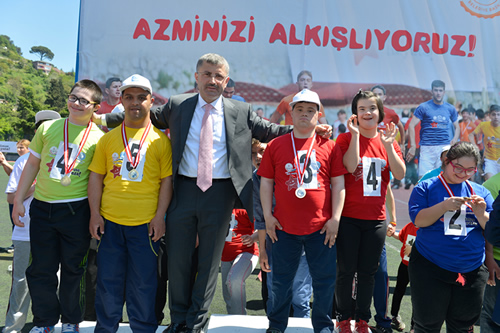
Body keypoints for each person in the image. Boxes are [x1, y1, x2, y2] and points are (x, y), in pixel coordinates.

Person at [92, 53, 333, 333]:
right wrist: (100, 119)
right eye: (207, 74)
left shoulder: (239, 111)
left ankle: (197, 322)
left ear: (226, 80)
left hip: (220, 195)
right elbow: (141, 113)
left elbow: (269, 130)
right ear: (196, 77)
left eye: (219, 76)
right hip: (182, 190)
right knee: (178, 262)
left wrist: (306, 127)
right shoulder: (178, 105)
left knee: (208, 263)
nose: (212, 80)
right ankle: (179, 320)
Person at [12, 80, 104, 333]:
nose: (76, 103)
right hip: (42, 209)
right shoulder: (49, 128)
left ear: (95, 106)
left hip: (76, 211)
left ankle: (71, 321)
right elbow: (32, 165)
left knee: (74, 270)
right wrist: (19, 199)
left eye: (83, 100)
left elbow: (98, 179)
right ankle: (44, 322)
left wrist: (96, 214)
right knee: (41, 269)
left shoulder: (100, 138)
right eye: (73, 97)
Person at [88, 74, 172, 333]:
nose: (135, 102)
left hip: (145, 226)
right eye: (129, 97)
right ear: (121, 101)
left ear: (151, 100)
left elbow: (167, 183)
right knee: (108, 285)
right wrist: (94, 214)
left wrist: (160, 216)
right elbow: (96, 178)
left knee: (144, 286)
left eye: (140, 97)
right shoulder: (108, 138)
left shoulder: (161, 141)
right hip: (110, 224)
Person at [259, 89, 346, 333]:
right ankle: (276, 326)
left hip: (321, 228)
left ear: (318, 115)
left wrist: (335, 219)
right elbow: (266, 182)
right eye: (300, 110)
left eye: (310, 111)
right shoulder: (276, 145)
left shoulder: (329, 146)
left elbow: (339, 184)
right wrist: (268, 216)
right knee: (280, 282)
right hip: (284, 228)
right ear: (291, 113)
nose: (305, 115)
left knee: (324, 282)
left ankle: (323, 326)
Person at [335, 90, 405, 333]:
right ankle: (344, 318)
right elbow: (350, 166)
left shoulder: (388, 141)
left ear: (380, 113)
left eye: (372, 108)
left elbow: (400, 174)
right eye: (362, 109)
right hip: (348, 219)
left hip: (376, 220)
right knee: (346, 271)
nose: (367, 113)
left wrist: (388, 147)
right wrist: (355, 136)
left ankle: (363, 320)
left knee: (368, 273)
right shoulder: (344, 139)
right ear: (355, 114)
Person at [408, 142, 492, 332]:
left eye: (470, 170)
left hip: (472, 270)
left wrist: (481, 214)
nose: (464, 174)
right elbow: (419, 220)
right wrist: (443, 206)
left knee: (462, 327)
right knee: (427, 325)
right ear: (447, 162)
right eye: (459, 168)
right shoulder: (425, 188)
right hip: (430, 266)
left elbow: (493, 230)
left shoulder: (481, 192)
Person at [2, 110, 61, 333]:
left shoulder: (66, 157)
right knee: (20, 284)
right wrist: (37, 186)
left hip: (56, 229)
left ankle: (49, 325)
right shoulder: (24, 161)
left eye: (52, 125)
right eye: (42, 127)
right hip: (25, 231)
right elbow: (10, 197)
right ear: (37, 131)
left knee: (55, 280)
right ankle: (13, 328)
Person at [252, 139, 313, 318]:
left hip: (303, 240)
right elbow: (261, 218)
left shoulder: (294, 170)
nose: (258, 157)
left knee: (300, 298)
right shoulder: (256, 177)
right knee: (274, 297)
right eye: (254, 153)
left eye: (262, 151)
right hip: (274, 243)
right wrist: (262, 251)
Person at [407, 80, 459, 178]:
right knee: (423, 178)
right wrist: (413, 146)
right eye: (436, 90)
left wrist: (455, 138)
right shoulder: (423, 107)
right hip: (427, 147)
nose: (438, 93)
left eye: (440, 90)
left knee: (443, 177)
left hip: (444, 147)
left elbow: (457, 126)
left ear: (444, 92)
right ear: (432, 91)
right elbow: (411, 125)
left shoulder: (450, 108)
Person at [220, 208, 259, 315]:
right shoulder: (220, 204)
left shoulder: (245, 206)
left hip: (246, 252)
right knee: (228, 294)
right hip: (225, 256)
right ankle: (232, 321)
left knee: (234, 280)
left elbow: (260, 229)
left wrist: (252, 238)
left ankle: (240, 320)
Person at [386, 222, 418, 333]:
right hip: (404, 265)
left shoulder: (428, 228)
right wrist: (392, 233)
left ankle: (414, 326)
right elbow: (401, 237)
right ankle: (394, 316)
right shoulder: (410, 226)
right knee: (399, 290)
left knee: (417, 296)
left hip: (420, 268)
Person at [480, 175, 500, 332]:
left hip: (496, 260)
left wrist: (489, 256)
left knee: (490, 314)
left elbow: (491, 230)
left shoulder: (491, 184)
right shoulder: (491, 184)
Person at [371, 85, 405, 152]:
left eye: (380, 94)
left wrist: (402, 144)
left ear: (384, 97)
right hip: (370, 147)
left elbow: (401, 127)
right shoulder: (365, 113)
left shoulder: (390, 113)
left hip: (386, 149)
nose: (377, 96)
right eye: (375, 94)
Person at [470, 105, 500, 180]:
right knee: (490, 182)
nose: (496, 117)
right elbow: (471, 135)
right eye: (493, 114)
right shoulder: (483, 125)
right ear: (489, 115)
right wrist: (474, 145)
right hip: (490, 160)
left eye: (498, 114)